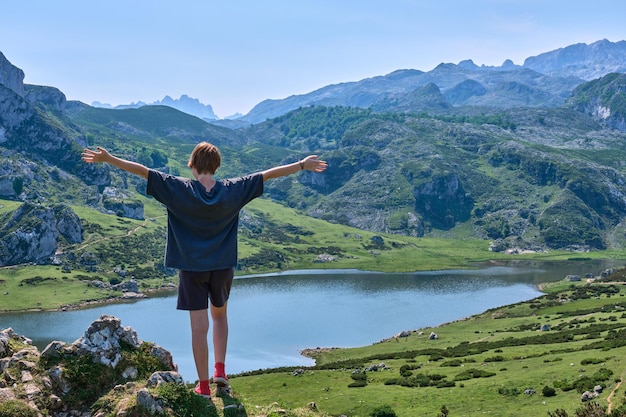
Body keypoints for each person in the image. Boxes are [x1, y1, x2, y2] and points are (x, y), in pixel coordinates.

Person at [81, 142, 327, 400]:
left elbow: (143, 171)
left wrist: (109, 159)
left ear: (193, 164)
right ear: (216, 165)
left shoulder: (178, 188)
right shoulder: (233, 189)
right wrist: (301, 165)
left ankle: (204, 387)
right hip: (222, 267)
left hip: (191, 270)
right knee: (219, 317)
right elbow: (267, 174)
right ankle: (220, 371)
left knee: (199, 329)